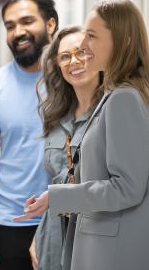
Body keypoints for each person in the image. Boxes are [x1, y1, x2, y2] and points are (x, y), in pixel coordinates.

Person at [15, 0, 149, 270]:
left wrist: (57, 197)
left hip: (114, 254)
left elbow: (125, 188)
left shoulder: (124, 99)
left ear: (123, 40)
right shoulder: (136, 93)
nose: (85, 47)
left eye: (92, 36)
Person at [0, 0, 58, 270]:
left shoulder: (72, 80)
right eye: (10, 26)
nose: (18, 32)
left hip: (66, 216)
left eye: (27, 21)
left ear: (51, 25)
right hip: (10, 223)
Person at [28, 26, 103, 270]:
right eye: (65, 56)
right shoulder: (56, 117)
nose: (75, 62)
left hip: (93, 236)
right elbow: (57, 183)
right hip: (52, 241)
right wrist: (40, 234)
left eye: (82, 52)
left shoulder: (112, 110)